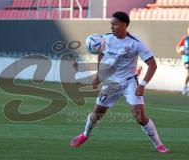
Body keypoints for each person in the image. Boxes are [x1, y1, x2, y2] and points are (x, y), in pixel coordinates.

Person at [70, 11, 170, 153]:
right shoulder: (106, 38)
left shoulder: (136, 43)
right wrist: (99, 75)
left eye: (115, 24)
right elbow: (101, 53)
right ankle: (85, 135)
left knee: (140, 116)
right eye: (111, 24)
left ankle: (159, 144)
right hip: (111, 82)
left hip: (130, 82)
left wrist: (142, 85)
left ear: (124, 25)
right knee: (97, 113)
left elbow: (153, 65)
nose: (112, 27)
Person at [176, 27, 189, 95]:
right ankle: (184, 87)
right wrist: (180, 51)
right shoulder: (185, 38)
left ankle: (186, 88)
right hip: (186, 59)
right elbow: (177, 47)